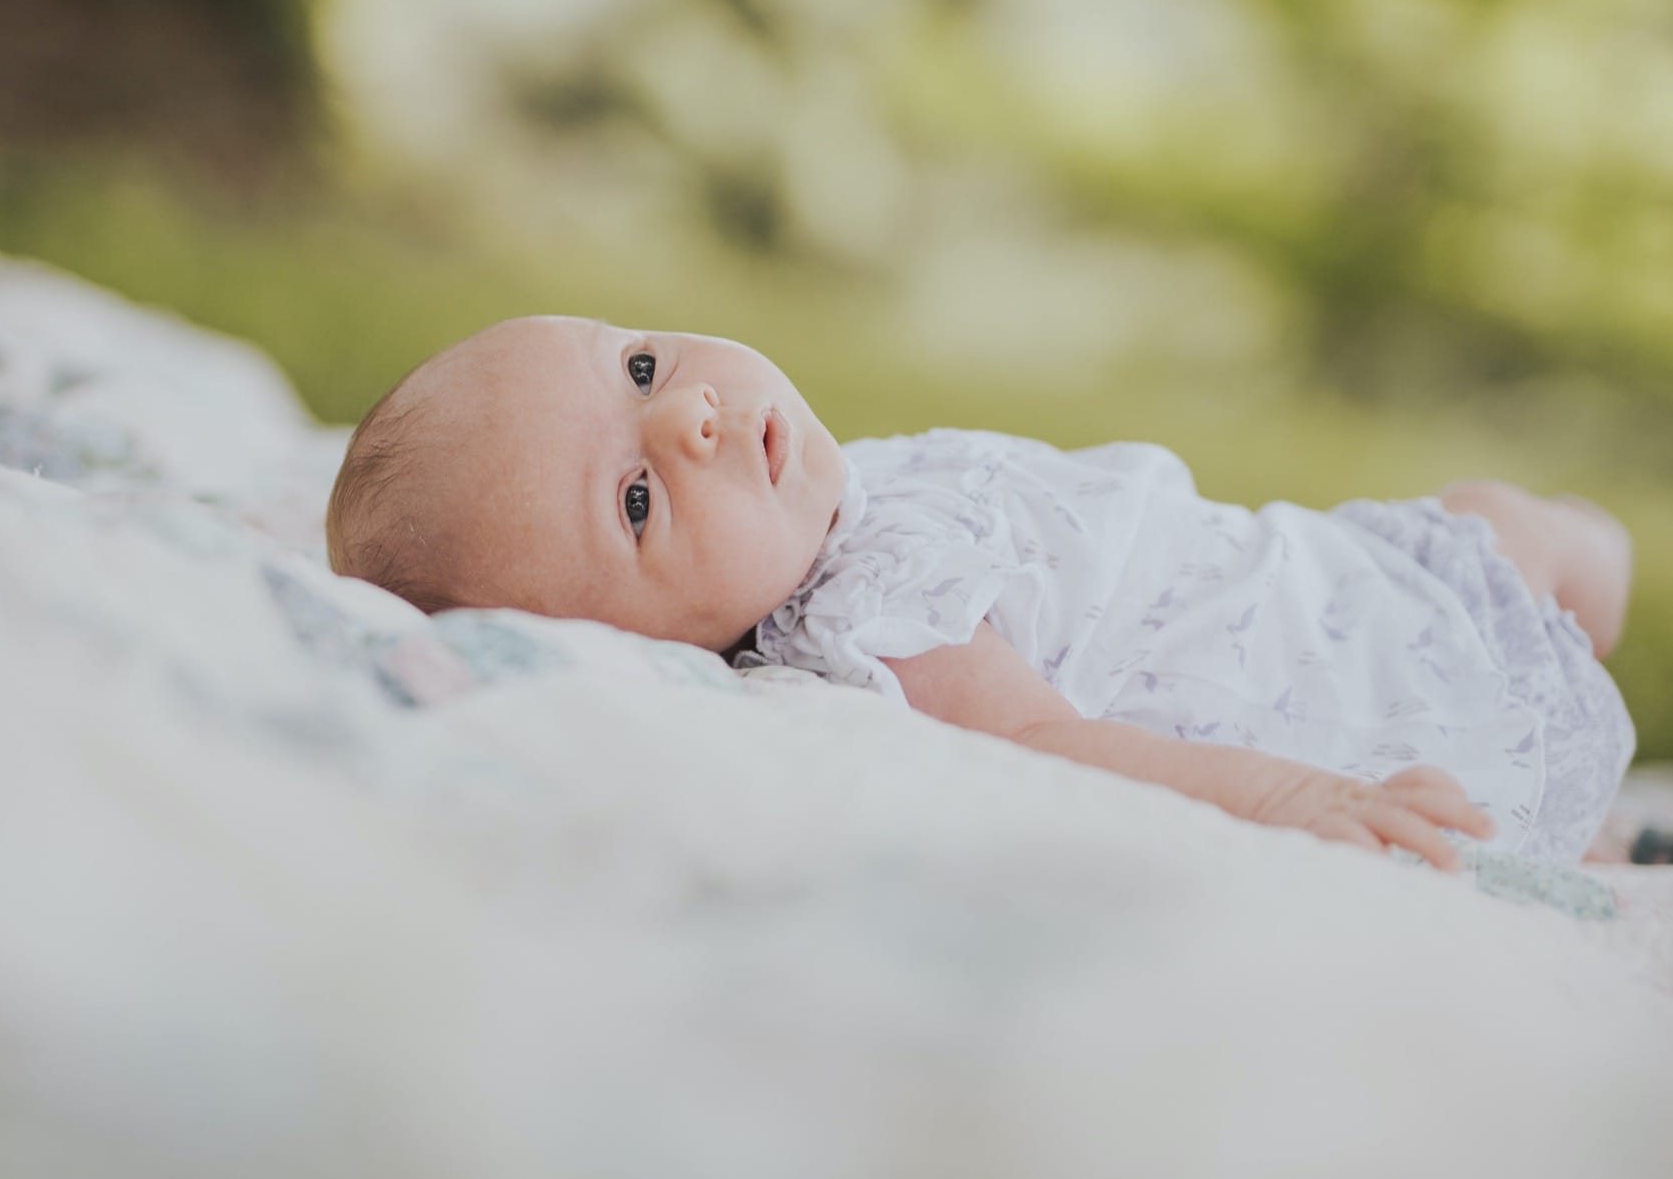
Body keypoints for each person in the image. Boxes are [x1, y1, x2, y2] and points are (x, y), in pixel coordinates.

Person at [326, 315, 1635, 869]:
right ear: (646, 643)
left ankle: (1575, 763)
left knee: (1499, 537)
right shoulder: (876, 625)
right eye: (635, 503)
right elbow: (1051, 746)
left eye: (641, 366)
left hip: (1295, 563)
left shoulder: (840, 507)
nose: (694, 420)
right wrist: (1299, 799)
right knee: (1526, 539)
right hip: (1340, 628)